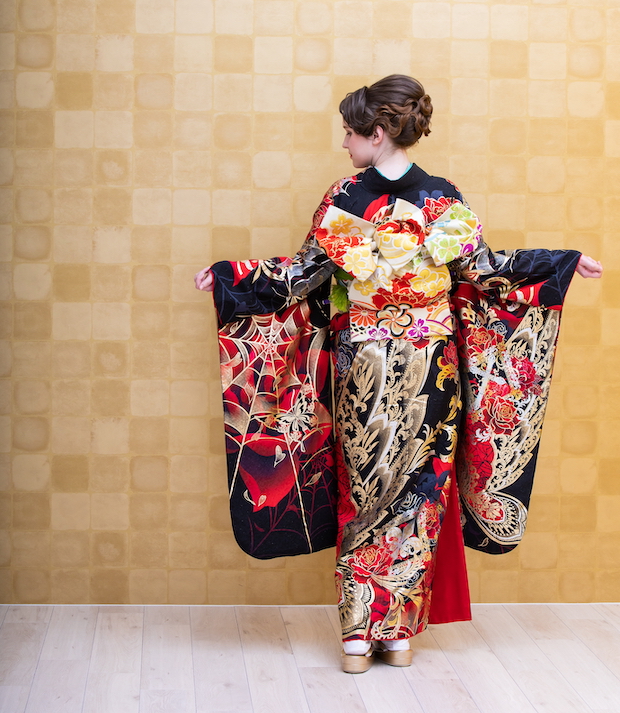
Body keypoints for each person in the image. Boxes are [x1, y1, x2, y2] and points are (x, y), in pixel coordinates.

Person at [195, 75, 602, 674]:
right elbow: (308, 272)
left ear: (378, 132)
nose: (344, 143)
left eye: (349, 132)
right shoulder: (388, 197)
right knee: (376, 490)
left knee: (413, 492)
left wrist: (558, 264)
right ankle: (366, 631)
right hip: (381, 363)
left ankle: (385, 632)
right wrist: (232, 276)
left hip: (411, 363)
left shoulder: (406, 198)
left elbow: (478, 268)